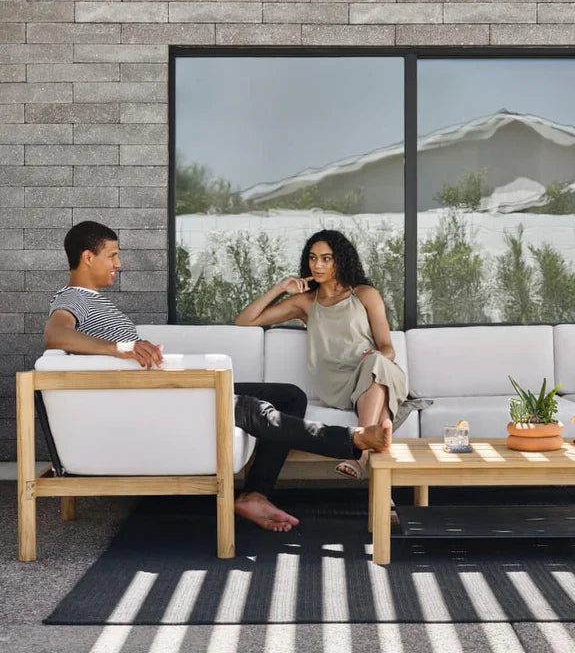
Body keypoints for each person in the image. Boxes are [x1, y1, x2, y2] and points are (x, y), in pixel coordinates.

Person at [42, 221, 391, 533]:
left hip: (165, 390)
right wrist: (121, 348)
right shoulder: (73, 299)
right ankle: (353, 439)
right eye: (112, 255)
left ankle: (255, 495)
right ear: (88, 257)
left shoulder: (96, 302)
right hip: (159, 397)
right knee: (250, 408)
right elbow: (56, 336)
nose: (118, 264)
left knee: (290, 396)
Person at [235, 229, 408, 480]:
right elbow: (243, 322)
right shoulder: (305, 303)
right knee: (382, 421)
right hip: (336, 384)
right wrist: (281, 287)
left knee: (376, 364)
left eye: (326, 258)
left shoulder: (365, 294)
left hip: (372, 371)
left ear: (341, 260)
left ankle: (357, 453)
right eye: (313, 258)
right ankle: (383, 488)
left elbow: (388, 348)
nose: (317, 264)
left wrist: (377, 356)